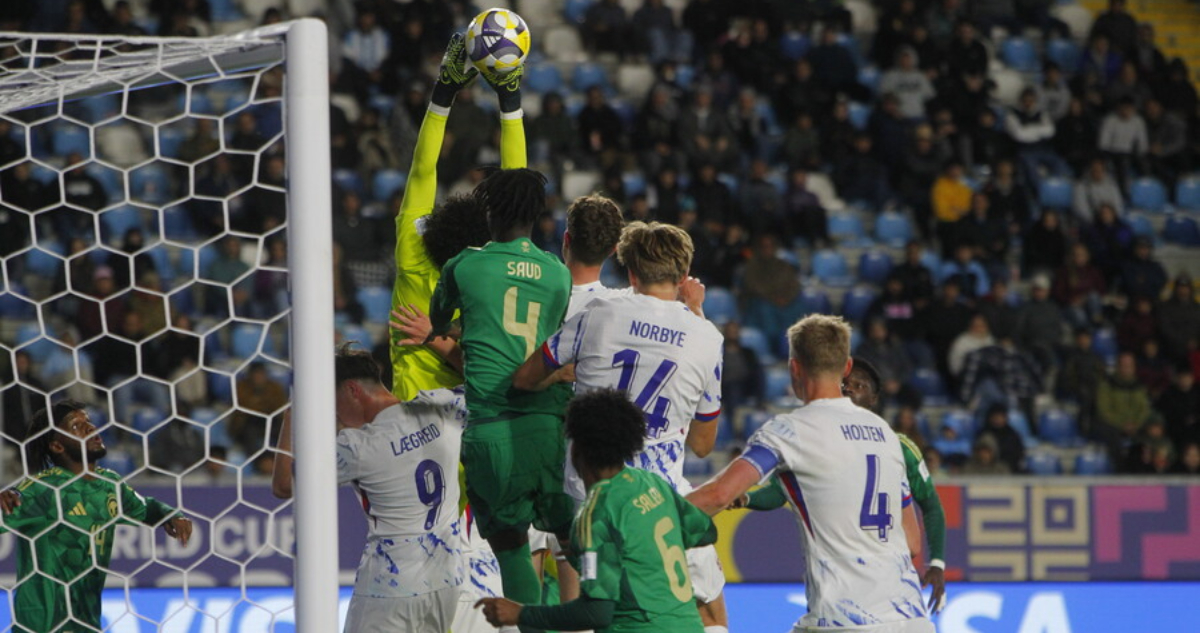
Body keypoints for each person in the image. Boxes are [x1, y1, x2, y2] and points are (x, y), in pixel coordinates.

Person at [514, 221, 729, 631]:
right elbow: (703, 444)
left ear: (629, 273)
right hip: (661, 504)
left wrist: (565, 377)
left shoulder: (600, 314)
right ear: (684, 278)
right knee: (709, 617)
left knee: (594, 615)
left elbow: (524, 379)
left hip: (589, 501)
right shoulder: (707, 338)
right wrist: (696, 312)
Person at [686, 315, 935, 632]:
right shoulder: (885, 434)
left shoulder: (789, 431)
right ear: (846, 368)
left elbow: (720, 494)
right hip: (913, 619)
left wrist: (645, 514)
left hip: (844, 621)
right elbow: (912, 542)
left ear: (794, 368)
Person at [428, 164, 574, 614]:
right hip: (548, 426)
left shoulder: (464, 265)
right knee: (573, 543)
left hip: (491, 429)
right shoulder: (558, 274)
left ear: (490, 213)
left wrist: (470, 325)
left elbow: (438, 323)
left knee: (511, 547)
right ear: (536, 216)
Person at [474, 390, 717, 632]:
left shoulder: (595, 514)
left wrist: (521, 613)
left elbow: (595, 613)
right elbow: (706, 532)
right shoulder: (651, 484)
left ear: (576, 450)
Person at [272, 344, 466, 632]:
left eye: (333, 405)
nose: (334, 417)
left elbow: (283, 484)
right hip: (446, 579)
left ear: (353, 390)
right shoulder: (440, 407)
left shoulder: (358, 446)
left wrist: (293, 414)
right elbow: (487, 381)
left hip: (388, 587)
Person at [0, 400, 191, 632]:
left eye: (88, 421)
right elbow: (13, 501)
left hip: (86, 623)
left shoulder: (109, 484)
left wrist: (169, 515)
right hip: (42, 626)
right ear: (57, 446)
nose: (91, 428)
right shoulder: (44, 489)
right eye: (76, 426)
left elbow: (143, 507)